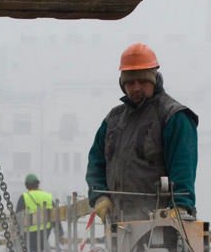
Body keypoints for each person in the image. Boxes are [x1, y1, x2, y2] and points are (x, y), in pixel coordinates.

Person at [85, 42, 198, 223]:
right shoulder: (113, 120)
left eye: (143, 81)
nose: (136, 87)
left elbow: (183, 166)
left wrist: (181, 207)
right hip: (119, 222)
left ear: (154, 79)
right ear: (122, 84)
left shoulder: (173, 117)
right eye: (130, 82)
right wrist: (99, 196)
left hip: (161, 223)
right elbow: (96, 163)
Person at [15, 173, 62, 252]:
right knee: (42, 249)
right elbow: (55, 216)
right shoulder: (48, 197)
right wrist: (60, 232)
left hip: (29, 234)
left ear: (26, 185)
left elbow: (18, 217)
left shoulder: (24, 197)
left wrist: (15, 232)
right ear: (38, 184)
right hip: (45, 231)